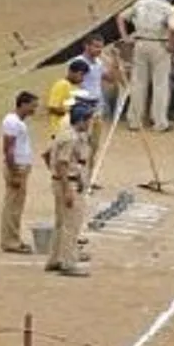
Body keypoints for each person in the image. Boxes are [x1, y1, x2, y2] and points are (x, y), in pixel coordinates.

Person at [46, 94, 99, 277]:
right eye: (88, 120)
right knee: (71, 224)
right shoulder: (71, 138)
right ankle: (68, 262)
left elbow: (48, 154)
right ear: (82, 120)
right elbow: (62, 163)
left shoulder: (64, 132)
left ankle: (55, 258)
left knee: (61, 223)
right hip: (67, 182)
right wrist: (68, 188)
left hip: (60, 181)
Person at [117, 0, 174, 132]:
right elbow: (173, 28)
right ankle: (159, 122)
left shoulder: (141, 3)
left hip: (140, 43)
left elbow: (120, 17)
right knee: (160, 84)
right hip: (159, 45)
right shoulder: (169, 8)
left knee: (138, 82)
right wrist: (171, 43)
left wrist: (125, 37)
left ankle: (134, 121)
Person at [0, 91, 39, 255]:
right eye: (32, 105)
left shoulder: (18, 122)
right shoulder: (12, 122)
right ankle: (10, 241)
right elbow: (8, 148)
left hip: (22, 167)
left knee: (17, 206)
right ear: (23, 104)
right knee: (13, 206)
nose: (34, 109)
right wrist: (14, 171)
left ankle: (14, 238)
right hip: (17, 168)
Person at [77, 34, 119, 167]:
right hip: (83, 108)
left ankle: (90, 176)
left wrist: (115, 61)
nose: (98, 50)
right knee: (81, 143)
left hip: (98, 107)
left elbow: (111, 79)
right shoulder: (78, 63)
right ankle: (78, 175)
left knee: (94, 145)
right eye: (95, 47)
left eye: (100, 47)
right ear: (87, 46)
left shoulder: (99, 63)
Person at [47, 60, 90, 140]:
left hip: (69, 129)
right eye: (81, 74)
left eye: (84, 76)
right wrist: (73, 113)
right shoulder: (62, 84)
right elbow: (52, 108)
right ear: (71, 72)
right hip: (60, 129)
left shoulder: (72, 87)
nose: (82, 78)